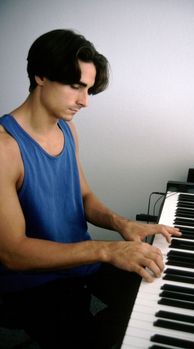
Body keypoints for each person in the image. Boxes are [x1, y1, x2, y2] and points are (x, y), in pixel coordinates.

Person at [0, 29, 181, 349]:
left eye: (88, 89)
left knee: (162, 291)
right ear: (41, 75)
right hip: (33, 283)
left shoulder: (67, 129)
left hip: (81, 260)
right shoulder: (5, 149)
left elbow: (83, 196)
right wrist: (108, 249)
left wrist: (120, 223)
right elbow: (13, 253)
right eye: (75, 86)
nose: (84, 101)